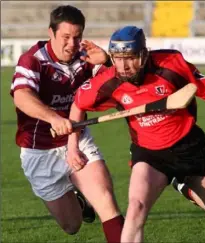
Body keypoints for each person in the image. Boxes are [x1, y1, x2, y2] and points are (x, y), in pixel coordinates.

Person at [71, 26, 205, 243]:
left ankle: (182, 184)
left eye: (129, 58)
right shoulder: (107, 81)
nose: (123, 66)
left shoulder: (171, 64)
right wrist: (72, 145)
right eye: (117, 58)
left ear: (144, 54)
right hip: (149, 155)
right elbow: (78, 104)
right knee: (136, 207)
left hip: (189, 147)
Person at [10, 5, 124, 242]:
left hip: (78, 140)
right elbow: (22, 96)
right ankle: (78, 200)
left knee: (105, 200)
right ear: (50, 33)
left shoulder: (85, 58)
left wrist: (108, 62)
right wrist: (53, 117)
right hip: (39, 150)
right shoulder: (33, 60)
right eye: (65, 37)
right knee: (72, 225)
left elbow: (123, 84)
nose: (72, 44)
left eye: (77, 37)